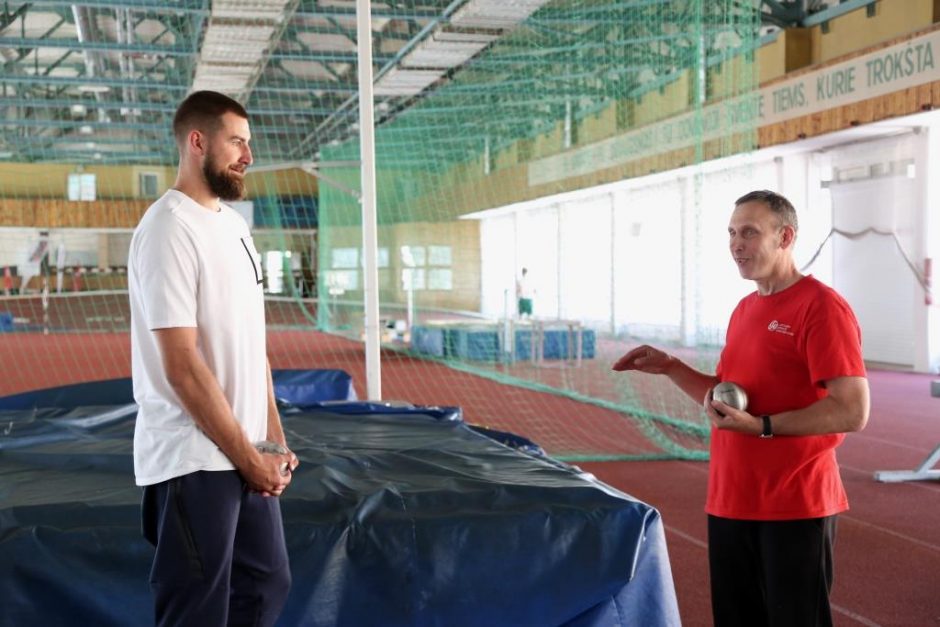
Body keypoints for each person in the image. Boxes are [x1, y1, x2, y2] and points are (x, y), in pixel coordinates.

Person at [613, 190, 870, 626]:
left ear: (785, 236)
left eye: (749, 232)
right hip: (731, 500)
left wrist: (764, 427)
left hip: (794, 502)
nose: (736, 244)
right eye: (732, 233)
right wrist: (672, 368)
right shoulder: (744, 309)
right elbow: (727, 399)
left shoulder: (821, 307)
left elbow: (852, 410)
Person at [128, 90, 298, 626]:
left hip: (244, 450)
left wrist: (271, 441)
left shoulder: (235, 227)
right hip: (194, 456)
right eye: (237, 142)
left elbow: (252, 343)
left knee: (266, 583)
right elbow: (180, 363)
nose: (248, 156)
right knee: (196, 607)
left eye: (249, 144)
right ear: (197, 142)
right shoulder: (167, 229)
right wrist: (248, 458)